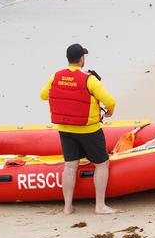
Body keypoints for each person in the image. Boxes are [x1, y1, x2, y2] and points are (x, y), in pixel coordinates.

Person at [40, 43, 119, 215]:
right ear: (82, 59)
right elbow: (110, 101)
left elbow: (43, 95)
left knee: (69, 167)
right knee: (102, 163)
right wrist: (110, 112)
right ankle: (100, 206)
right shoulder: (89, 79)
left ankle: (67, 207)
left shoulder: (56, 76)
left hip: (65, 130)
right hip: (88, 130)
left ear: (68, 59)